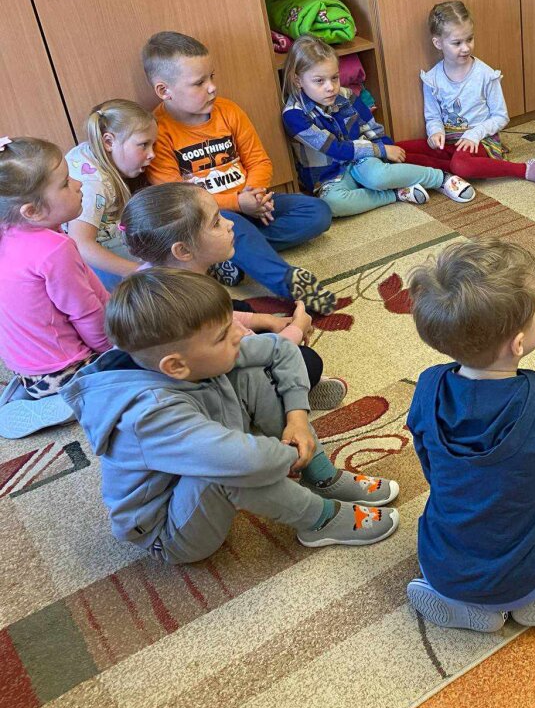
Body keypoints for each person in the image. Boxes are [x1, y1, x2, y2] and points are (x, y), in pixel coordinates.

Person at [61, 268, 401, 563]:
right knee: (230, 469)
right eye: (224, 334)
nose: (239, 334)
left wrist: (297, 418)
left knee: (249, 374)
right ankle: (320, 520)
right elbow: (243, 461)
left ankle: (322, 477)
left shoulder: (195, 356)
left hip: (205, 465)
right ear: (175, 366)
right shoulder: (147, 416)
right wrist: (292, 453)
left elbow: (281, 348)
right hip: (169, 532)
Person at [403, 238, 535, 632]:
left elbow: (429, 464)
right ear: (519, 343)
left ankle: (465, 602)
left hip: (439, 568)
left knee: (454, 497)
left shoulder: (427, 386)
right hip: (521, 577)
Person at [141, 31, 336, 314]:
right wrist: (237, 204)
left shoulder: (229, 111)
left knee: (317, 212)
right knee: (232, 224)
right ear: (164, 90)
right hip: (207, 218)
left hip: (250, 201)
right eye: (199, 83)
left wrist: (253, 195)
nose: (212, 88)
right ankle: (286, 282)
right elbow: (177, 199)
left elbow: (259, 160)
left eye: (211, 77)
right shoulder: (157, 131)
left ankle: (228, 256)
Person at [120, 182, 347, 411]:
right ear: (183, 251)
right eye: (217, 222)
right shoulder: (190, 299)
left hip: (195, 358)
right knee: (308, 360)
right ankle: (284, 400)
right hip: (214, 386)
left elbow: (229, 320)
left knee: (239, 307)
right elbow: (248, 351)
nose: (230, 224)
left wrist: (267, 320)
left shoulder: (159, 276)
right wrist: (297, 328)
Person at [281, 35, 477, 217]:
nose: (330, 87)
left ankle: (440, 178)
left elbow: (371, 127)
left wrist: (386, 153)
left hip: (362, 160)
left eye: (334, 77)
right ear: (298, 80)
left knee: (378, 177)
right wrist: (380, 150)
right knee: (333, 204)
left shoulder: (345, 95)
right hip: (329, 176)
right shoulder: (294, 115)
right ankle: (396, 194)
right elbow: (335, 148)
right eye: (319, 81)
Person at [0, 136, 108, 439]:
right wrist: (112, 350)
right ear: (32, 211)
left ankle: (28, 391)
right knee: (143, 373)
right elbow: (85, 313)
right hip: (65, 369)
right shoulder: (54, 250)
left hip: (29, 369)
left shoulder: (9, 231)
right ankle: (69, 400)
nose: (79, 184)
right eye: (65, 183)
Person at [420, 1, 535, 187]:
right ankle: (452, 170)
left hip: (481, 140)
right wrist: (435, 132)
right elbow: (433, 117)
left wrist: (474, 134)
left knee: (461, 165)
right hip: (450, 141)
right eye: (457, 43)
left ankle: (524, 169)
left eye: (469, 39)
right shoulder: (432, 79)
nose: (466, 48)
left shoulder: (486, 75)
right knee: (400, 151)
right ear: (438, 43)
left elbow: (501, 116)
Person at [64, 99, 158, 288]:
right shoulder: (93, 185)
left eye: (153, 145)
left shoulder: (87, 151)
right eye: (143, 145)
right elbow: (81, 244)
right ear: (108, 142)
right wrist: (136, 271)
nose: (152, 154)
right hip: (92, 259)